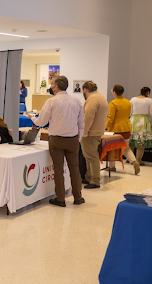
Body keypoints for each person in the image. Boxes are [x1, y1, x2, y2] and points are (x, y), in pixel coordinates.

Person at [26, 75, 85, 207]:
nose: (51, 88)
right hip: (73, 139)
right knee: (74, 168)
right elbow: (81, 123)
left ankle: (60, 198)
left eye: (52, 86)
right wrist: (78, 138)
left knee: (58, 169)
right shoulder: (76, 101)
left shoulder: (51, 102)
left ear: (56, 88)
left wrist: (32, 118)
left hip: (56, 140)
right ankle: (78, 197)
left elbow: (41, 122)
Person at [106, 85, 140, 175]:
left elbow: (111, 118)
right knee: (126, 148)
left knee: (111, 148)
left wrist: (105, 126)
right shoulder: (128, 102)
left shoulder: (113, 103)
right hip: (126, 128)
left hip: (115, 129)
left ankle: (112, 167)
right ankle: (134, 161)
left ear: (114, 92)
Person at [80, 81, 109, 189]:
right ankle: (89, 176)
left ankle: (95, 180)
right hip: (97, 131)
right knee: (89, 156)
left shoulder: (92, 99)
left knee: (91, 156)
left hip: (90, 133)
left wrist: (84, 131)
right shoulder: (101, 97)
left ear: (85, 90)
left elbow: (88, 116)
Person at [130, 87, 152, 165]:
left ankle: (131, 159)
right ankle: (138, 160)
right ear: (148, 93)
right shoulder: (149, 100)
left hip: (133, 120)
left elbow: (130, 111)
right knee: (141, 142)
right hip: (144, 121)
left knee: (132, 140)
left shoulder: (133, 99)